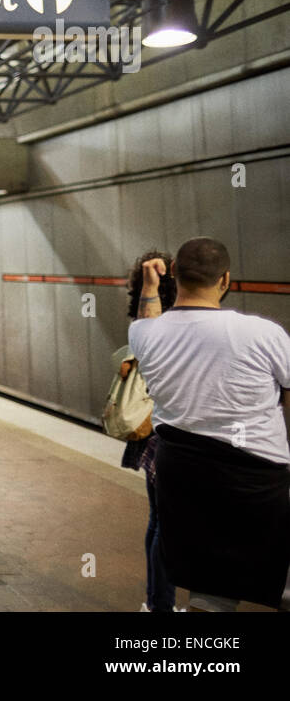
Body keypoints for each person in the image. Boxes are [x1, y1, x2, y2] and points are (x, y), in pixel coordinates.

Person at [129, 237, 290, 611]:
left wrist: (150, 288)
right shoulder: (263, 334)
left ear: (175, 275)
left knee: (211, 586)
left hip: (184, 478)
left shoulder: (145, 335)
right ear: (226, 279)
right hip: (257, 479)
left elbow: (147, 319)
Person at [119, 250, 179, 613]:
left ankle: (158, 603)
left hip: (152, 434)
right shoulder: (167, 324)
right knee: (165, 523)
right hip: (164, 432)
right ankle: (160, 605)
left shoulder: (142, 324)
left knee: (158, 519)